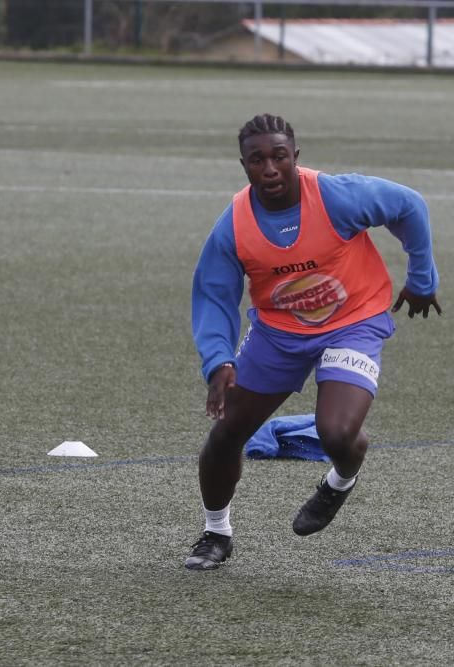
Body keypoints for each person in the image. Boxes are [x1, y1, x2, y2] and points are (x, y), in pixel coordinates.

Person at [185, 113, 441, 571]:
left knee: (338, 433)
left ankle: (340, 480)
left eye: (279, 157)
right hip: (278, 333)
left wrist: (422, 277)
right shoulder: (234, 226)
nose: (269, 169)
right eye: (257, 159)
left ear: (295, 158)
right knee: (226, 435)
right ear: (243, 164)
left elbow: (409, 205)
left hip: (354, 321)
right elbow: (212, 295)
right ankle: (215, 533)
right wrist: (218, 360)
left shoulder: (336, 196)